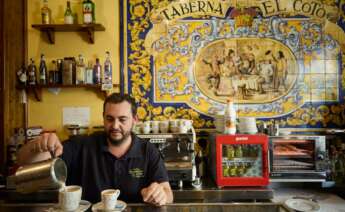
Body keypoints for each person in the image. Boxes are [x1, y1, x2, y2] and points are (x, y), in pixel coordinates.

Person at [17, 93, 173, 205]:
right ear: (103, 117)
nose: (115, 126)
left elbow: (168, 193)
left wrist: (160, 195)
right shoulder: (82, 145)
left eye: (122, 119)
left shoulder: (148, 150)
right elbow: (24, 162)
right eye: (110, 119)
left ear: (134, 120)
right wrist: (36, 146)